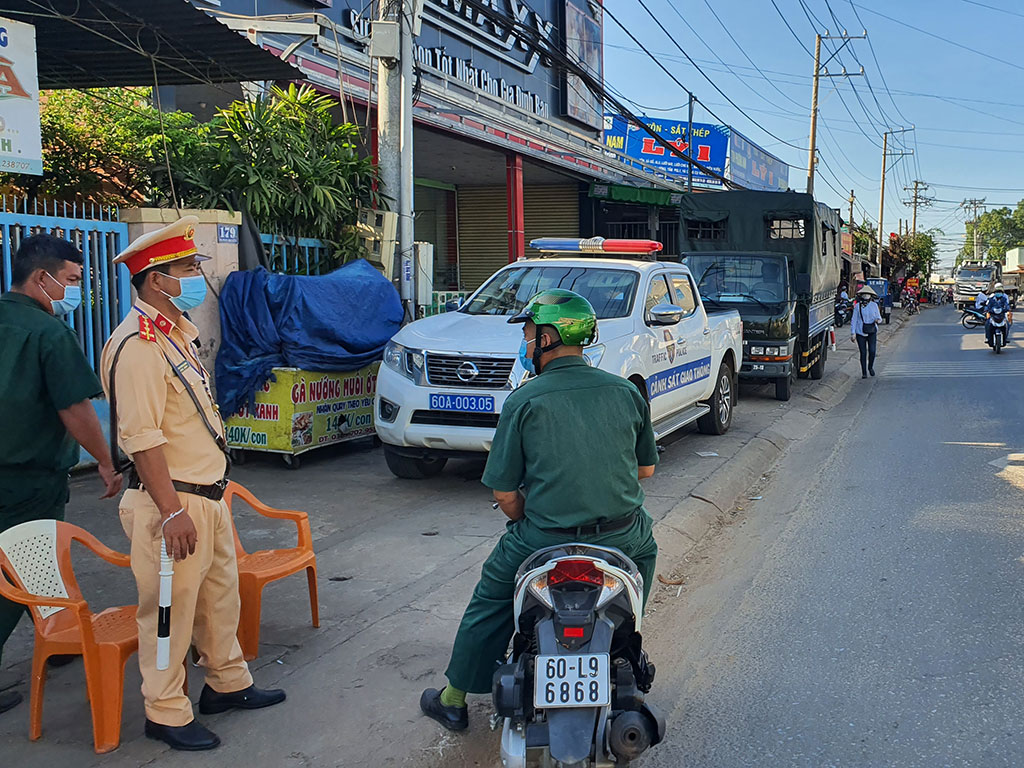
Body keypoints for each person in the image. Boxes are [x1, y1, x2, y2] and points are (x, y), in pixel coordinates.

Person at [419, 289, 659, 732]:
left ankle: (453, 698)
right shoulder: (626, 391)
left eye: (528, 332)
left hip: (543, 539)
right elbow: (644, 469)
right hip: (623, 536)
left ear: (548, 338)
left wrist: (535, 514)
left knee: (491, 599)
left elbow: (505, 493)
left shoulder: (525, 400)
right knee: (642, 567)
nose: (525, 342)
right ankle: (626, 649)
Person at [99, 217, 284, 751]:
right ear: (157, 280)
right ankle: (165, 710)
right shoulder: (137, 346)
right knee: (167, 614)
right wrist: (173, 511)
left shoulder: (174, 334)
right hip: (172, 503)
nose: (195, 277)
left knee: (217, 601)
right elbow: (143, 437)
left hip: (206, 496)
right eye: (186, 268)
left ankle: (226, 683)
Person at [0, 235, 123, 716]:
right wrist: (107, 462)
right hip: (28, 475)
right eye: (71, 281)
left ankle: (60, 638)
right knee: (20, 568)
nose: (73, 291)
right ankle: (59, 634)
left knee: (39, 563)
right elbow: (75, 407)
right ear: (41, 278)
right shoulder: (48, 333)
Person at [850, 285, 882, 378]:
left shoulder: (874, 305)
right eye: (864, 294)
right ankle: (864, 372)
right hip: (860, 332)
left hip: (872, 331)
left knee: (872, 351)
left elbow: (879, 318)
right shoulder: (857, 306)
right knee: (863, 353)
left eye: (867, 295)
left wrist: (877, 320)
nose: (866, 296)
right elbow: (854, 320)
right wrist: (853, 333)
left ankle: (870, 367)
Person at [984, 283, 1012, 347]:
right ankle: (987, 337)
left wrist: (1007, 309)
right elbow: (987, 305)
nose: (998, 293)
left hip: (1002, 315)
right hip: (993, 315)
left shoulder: (1004, 298)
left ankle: (1006, 337)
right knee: (987, 324)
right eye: (997, 292)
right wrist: (986, 309)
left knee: (1007, 324)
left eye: (999, 292)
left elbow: (1007, 305)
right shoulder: (991, 299)